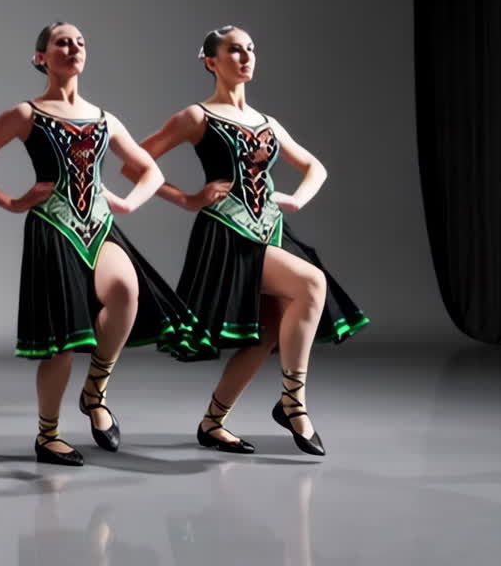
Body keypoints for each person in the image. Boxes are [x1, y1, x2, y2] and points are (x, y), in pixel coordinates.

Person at [0, 22, 198, 466]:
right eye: (62, 42)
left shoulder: (104, 119)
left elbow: (149, 171)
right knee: (61, 341)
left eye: (80, 42)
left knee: (126, 292)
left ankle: (95, 391)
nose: (73, 47)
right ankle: (48, 435)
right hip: (53, 229)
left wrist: (130, 203)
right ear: (41, 57)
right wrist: (10, 202)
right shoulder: (26, 114)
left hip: (99, 227)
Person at [130, 25, 369, 457]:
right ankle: (292, 401)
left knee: (267, 331)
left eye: (250, 49)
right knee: (311, 284)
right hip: (227, 234)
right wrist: (187, 199)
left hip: (271, 229)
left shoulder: (267, 123)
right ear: (211, 62)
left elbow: (315, 167)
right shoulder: (196, 117)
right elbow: (135, 165)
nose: (245, 57)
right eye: (234, 50)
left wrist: (294, 199)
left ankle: (213, 422)